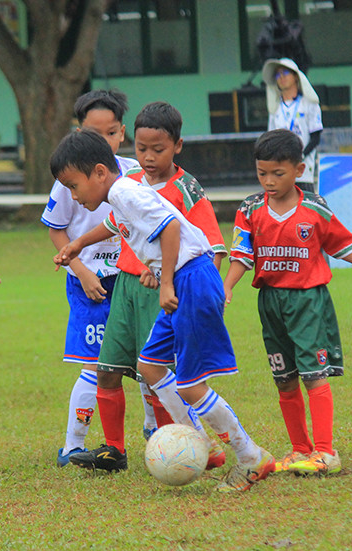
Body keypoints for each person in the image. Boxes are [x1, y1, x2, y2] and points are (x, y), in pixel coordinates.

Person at [51, 130, 273, 492]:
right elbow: (114, 226)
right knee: (149, 365)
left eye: (74, 186)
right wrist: (77, 243)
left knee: (191, 385)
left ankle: (250, 457)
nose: (73, 196)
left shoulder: (123, 192)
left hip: (192, 280)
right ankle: (200, 439)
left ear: (100, 173)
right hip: (184, 277)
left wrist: (165, 280)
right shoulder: (122, 195)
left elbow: (170, 228)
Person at [224, 129, 352, 475]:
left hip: (307, 301)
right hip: (270, 303)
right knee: (284, 378)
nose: (268, 181)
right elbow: (241, 254)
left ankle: (326, 452)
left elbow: (339, 244)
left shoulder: (314, 208)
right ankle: (300, 449)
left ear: (299, 170)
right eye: (262, 173)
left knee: (313, 374)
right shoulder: (250, 209)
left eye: (278, 173)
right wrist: (227, 288)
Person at [40, 89, 159, 468]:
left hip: (132, 279)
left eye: (110, 134)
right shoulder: (68, 179)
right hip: (90, 284)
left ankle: (157, 432)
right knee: (95, 367)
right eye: (93, 134)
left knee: (147, 361)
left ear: (122, 133)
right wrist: (83, 271)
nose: (102, 142)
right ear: (78, 133)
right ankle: (73, 444)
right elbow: (57, 230)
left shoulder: (134, 176)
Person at [116, 100, 229, 467]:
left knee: (183, 374)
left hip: (180, 290)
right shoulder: (130, 184)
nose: (148, 157)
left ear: (178, 146)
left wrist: (196, 286)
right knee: (145, 366)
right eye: (141, 148)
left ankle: (232, 448)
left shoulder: (187, 187)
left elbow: (211, 244)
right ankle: (181, 435)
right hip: (135, 285)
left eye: (158, 149)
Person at [261, 57, 322, 193]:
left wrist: (299, 157)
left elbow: (316, 137)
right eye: (278, 74)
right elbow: (271, 139)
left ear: (296, 76)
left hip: (303, 171)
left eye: (285, 73)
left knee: (305, 209)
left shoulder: (309, 104)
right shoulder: (275, 108)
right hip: (280, 173)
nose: (281, 77)